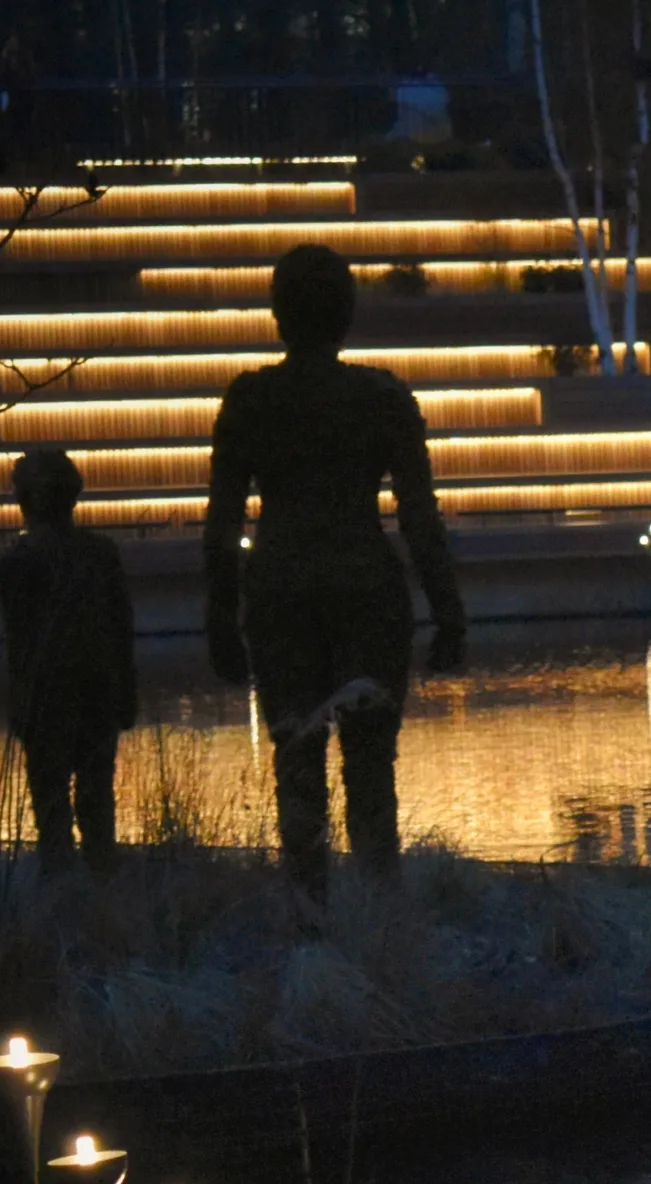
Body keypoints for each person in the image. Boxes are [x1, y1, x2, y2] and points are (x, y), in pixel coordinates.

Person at [202, 243, 465, 903]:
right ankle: (379, 920)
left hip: (281, 590)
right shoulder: (382, 398)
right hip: (368, 592)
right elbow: (419, 518)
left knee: (298, 763)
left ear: (277, 314)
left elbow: (222, 521)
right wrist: (449, 611)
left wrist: (219, 617)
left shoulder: (251, 400)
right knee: (371, 770)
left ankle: (309, 918)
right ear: (345, 314)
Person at [0, 447, 135, 877]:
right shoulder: (102, 553)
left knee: (51, 812)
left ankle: (60, 902)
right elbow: (122, 629)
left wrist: (21, 704)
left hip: (46, 698)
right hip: (99, 692)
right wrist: (127, 693)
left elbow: (19, 642)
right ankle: (105, 897)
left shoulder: (19, 561)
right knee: (98, 805)